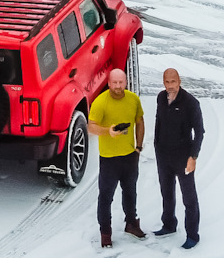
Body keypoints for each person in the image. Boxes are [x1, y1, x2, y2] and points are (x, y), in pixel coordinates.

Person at [87, 67, 146, 247]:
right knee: (106, 197)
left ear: (126, 82)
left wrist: (138, 147)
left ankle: (131, 224)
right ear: (109, 83)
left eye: (121, 82)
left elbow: (140, 121)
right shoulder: (100, 102)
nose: (118, 86)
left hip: (130, 157)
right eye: (114, 83)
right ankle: (105, 232)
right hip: (109, 159)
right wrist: (108, 131)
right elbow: (91, 126)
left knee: (130, 192)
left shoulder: (133, 99)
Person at [152, 68, 204, 248]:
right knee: (166, 193)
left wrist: (193, 157)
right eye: (167, 82)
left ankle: (192, 235)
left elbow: (199, 132)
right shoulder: (161, 97)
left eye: (173, 82)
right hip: (163, 156)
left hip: (183, 157)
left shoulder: (191, 103)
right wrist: (157, 146)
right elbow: (158, 122)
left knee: (189, 198)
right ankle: (168, 225)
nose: (170, 86)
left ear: (179, 81)